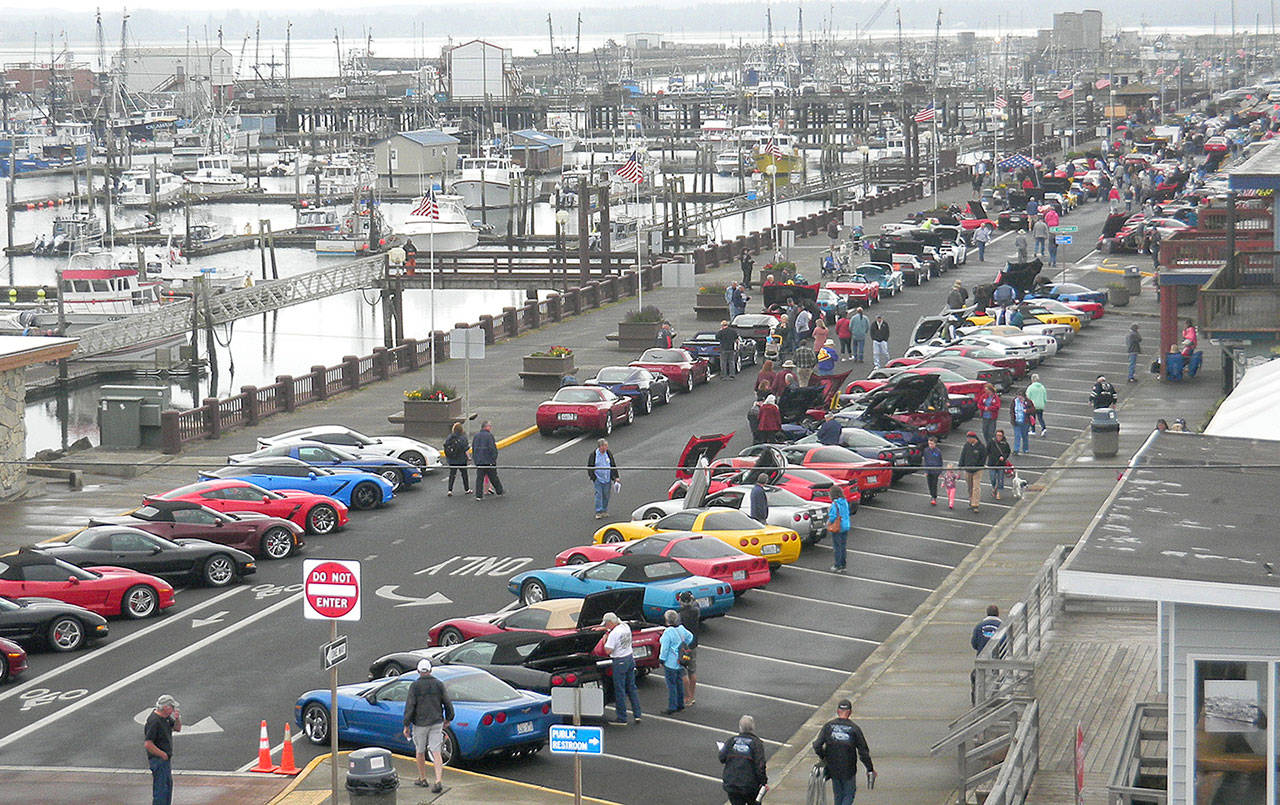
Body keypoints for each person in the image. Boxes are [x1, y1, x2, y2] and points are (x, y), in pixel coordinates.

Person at [403, 659, 454, 792]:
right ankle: (438, 780)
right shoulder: (438, 684)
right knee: (436, 751)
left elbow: (410, 706)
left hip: (420, 723)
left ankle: (423, 778)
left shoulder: (415, 686)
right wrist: (449, 718)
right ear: (430, 670)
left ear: (419, 671)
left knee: (420, 751)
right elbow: (447, 702)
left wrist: (406, 725)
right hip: (436, 722)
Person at [812, 699, 876, 805]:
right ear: (850, 712)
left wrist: (824, 757)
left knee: (838, 794)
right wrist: (870, 769)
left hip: (833, 767)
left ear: (838, 711)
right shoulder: (854, 729)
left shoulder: (828, 726)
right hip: (848, 769)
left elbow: (817, 745)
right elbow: (863, 752)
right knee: (849, 794)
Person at [601, 612, 642, 725]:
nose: (606, 627)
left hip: (619, 661)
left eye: (606, 624)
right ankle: (637, 714)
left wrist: (605, 639)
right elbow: (618, 621)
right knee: (631, 687)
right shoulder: (625, 627)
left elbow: (608, 650)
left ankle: (622, 717)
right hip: (629, 658)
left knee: (620, 689)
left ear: (610, 623)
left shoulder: (614, 634)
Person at [720, 715, 768, 805]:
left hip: (732, 784)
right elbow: (760, 766)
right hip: (749, 785)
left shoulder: (731, 741)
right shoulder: (756, 743)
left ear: (740, 727)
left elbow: (721, 758)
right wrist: (763, 781)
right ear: (753, 727)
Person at [144, 694, 182, 805]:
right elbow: (148, 744)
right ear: (166, 707)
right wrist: (162, 754)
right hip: (159, 761)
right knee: (161, 790)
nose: (173, 709)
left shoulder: (165, 718)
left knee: (167, 787)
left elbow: (177, 728)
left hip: (164, 760)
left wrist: (177, 718)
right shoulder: (154, 721)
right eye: (172, 707)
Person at [659, 610, 693, 714]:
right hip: (680, 662)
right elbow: (690, 637)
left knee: (671, 685)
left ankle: (672, 706)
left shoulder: (668, 632)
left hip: (670, 662)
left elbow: (665, 648)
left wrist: (662, 659)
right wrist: (683, 644)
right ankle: (680, 704)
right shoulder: (681, 629)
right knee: (679, 683)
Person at [970, 604, 1004, 703]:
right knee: (997, 678)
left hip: (982, 659)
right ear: (998, 614)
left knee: (978, 676)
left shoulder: (979, 626)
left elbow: (974, 644)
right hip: (998, 659)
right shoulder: (1003, 626)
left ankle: (977, 698)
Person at [677, 591, 701, 706]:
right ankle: (692, 696)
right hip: (693, 644)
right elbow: (696, 603)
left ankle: (686, 697)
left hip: (683, 647)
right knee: (692, 670)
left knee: (682, 671)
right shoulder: (696, 611)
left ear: (681, 601)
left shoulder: (680, 615)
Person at [469, 422, 503, 500]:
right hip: (488, 461)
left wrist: (476, 459)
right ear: (486, 427)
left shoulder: (476, 436)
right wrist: (493, 459)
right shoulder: (489, 436)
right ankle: (499, 491)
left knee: (479, 479)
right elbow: (492, 449)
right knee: (493, 477)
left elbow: (474, 449)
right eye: (490, 426)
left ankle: (479, 495)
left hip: (480, 461)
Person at [587, 439, 619, 519]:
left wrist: (616, 477)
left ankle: (604, 510)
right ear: (600, 446)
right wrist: (593, 478)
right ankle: (598, 511)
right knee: (599, 494)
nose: (606, 447)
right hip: (598, 478)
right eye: (605, 446)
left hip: (607, 477)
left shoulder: (608, 453)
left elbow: (613, 464)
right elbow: (590, 467)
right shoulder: (594, 455)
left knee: (606, 495)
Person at [827, 485, 853, 573]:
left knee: (837, 547)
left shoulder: (835, 504)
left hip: (838, 527)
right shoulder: (844, 502)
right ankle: (843, 565)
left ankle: (837, 565)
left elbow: (833, 516)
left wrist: (828, 523)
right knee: (843, 546)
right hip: (845, 526)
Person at [959, 431, 986, 512]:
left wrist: (978, 467)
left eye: (969, 438)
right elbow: (962, 456)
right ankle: (971, 500)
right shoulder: (966, 446)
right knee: (970, 487)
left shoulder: (981, 447)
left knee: (976, 487)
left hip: (977, 470)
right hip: (968, 470)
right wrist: (960, 466)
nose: (968, 440)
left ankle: (975, 504)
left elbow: (983, 459)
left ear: (974, 438)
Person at [442, 422, 470, 496]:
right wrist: (469, 457)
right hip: (461, 460)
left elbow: (445, 446)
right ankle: (467, 489)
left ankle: (450, 490)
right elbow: (466, 449)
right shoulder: (463, 438)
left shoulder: (449, 437)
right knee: (464, 474)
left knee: (452, 474)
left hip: (452, 459)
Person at [986, 429, 1011, 500]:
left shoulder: (1005, 444)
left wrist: (1004, 457)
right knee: (992, 478)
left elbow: (1008, 452)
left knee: (1000, 479)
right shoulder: (991, 442)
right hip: (992, 463)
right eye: (997, 435)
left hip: (1001, 464)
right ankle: (994, 488)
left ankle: (999, 493)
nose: (999, 437)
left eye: (1000, 436)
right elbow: (987, 450)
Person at [922, 435, 943, 505]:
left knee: (934, 484)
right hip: (929, 470)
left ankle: (934, 497)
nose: (930, 445)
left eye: (932, 444)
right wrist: (925, 471)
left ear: (935, 444)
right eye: (929, 444)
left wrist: (940, 472)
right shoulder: (926, 450)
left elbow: (940, 462)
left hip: (935, 471)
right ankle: (932, 495)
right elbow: (925, 461)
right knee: (930, 484)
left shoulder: (938, 451)